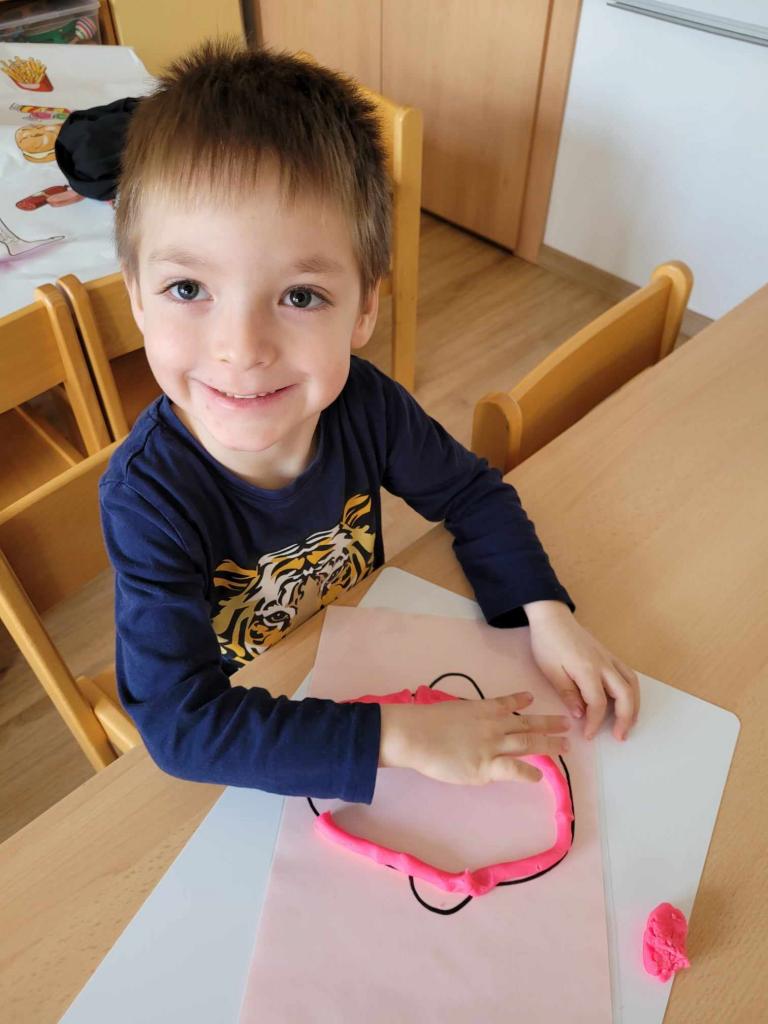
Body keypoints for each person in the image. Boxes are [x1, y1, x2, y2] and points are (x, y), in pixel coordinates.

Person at [99, 41, 639, 803]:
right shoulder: (146, 497)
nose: (241, 350)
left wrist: (545, 614)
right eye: (188, 288)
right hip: (266, 722)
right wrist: (398, 737)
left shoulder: (367, 406)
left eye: (300, 296)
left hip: (364, 645)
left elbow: (472, 495)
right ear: (135, 296)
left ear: (364, 310)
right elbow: (184, 726)